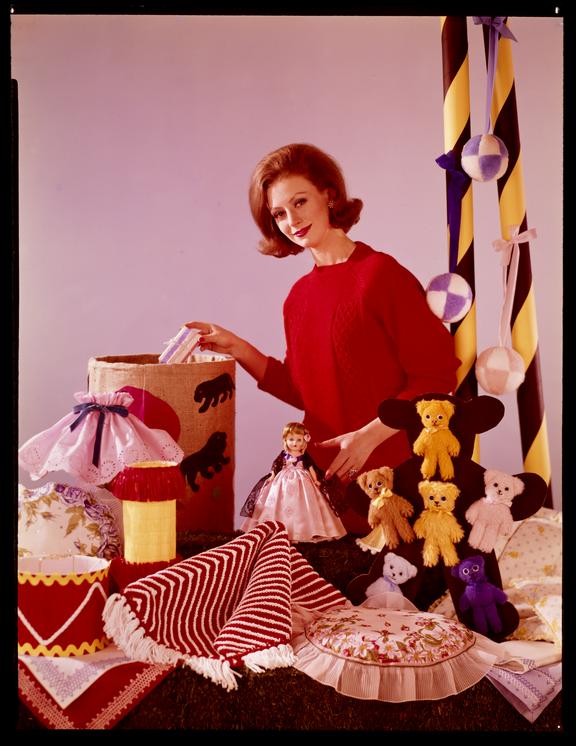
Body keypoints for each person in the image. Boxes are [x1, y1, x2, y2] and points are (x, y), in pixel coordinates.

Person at [189, 143, 460, 533]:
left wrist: (368, 437)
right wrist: (237, 347)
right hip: (320, 488)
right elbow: (304, 392)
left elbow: (437, 379)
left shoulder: (381, 275)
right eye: (279, 213)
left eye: (299, 202)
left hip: (393, 482)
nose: (291, 220)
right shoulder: (297, 298)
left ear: (329, 195)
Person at [239, 421, 347, 543]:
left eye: (298, 440)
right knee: (278, 502)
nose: (295, 443)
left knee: (305, 502)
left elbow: (311, 467)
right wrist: (272, 476)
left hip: (302, 480)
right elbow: (276, 465)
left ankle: (303, 531)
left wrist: (316, 480)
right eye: (291, 439)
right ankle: (276, 531)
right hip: (283, 481)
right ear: (285, 440)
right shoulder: (284, 454)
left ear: (304, 441)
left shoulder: (304, 455)